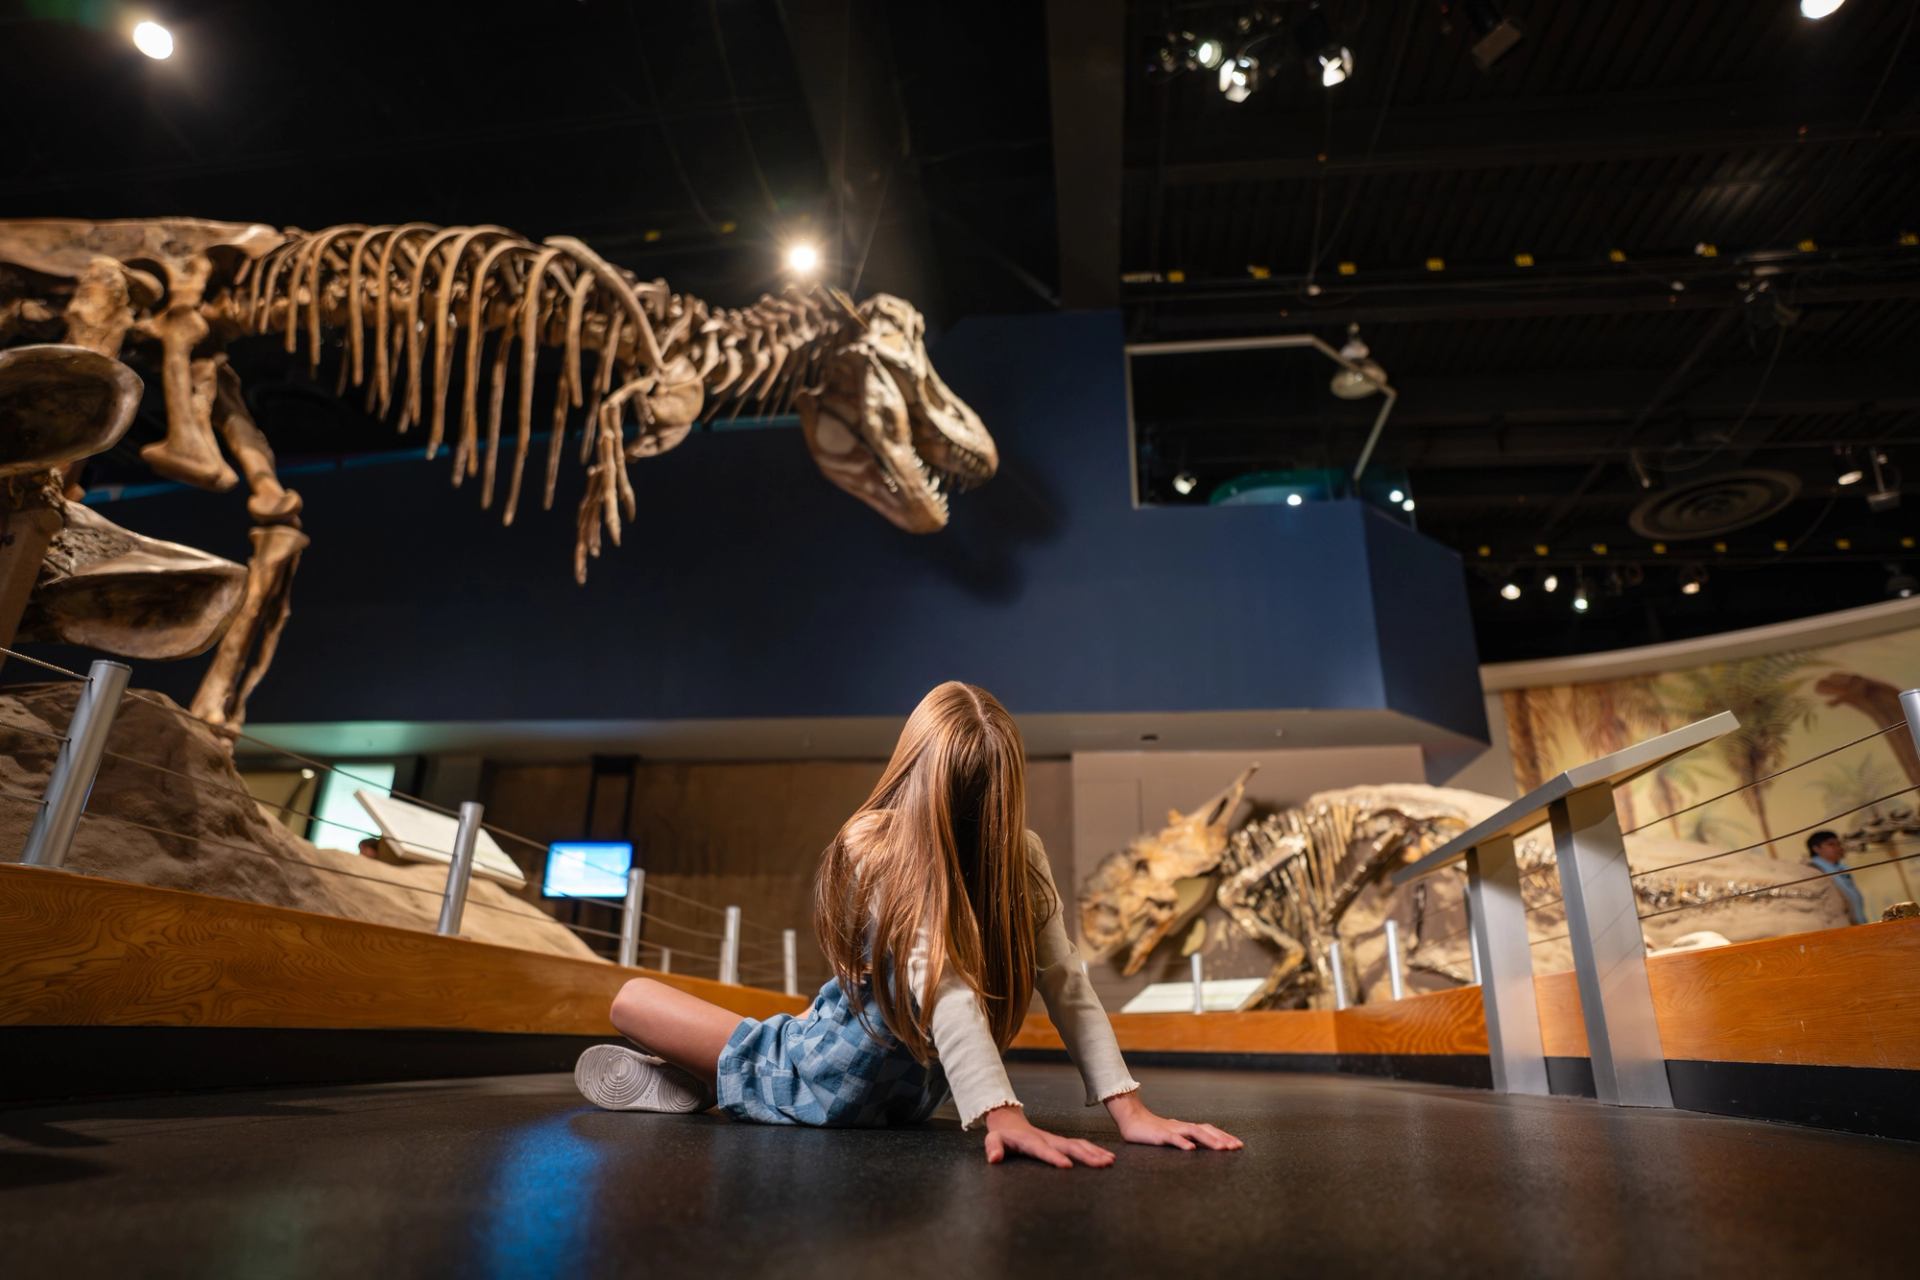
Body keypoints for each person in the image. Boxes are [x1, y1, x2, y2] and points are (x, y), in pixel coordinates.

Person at [575, 680, 1243, 1167]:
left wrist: (1011, 1114)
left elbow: (951, 981)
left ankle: (714, 1082)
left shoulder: (877, 840)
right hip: (912, 1101)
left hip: (817, 1075)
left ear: (914, 766)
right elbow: (1058, 983)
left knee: (631, 998)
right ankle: (701, 1083)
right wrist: (1127, 1112)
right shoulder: (1005, 852)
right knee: (747, 1042)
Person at [1806, 830, 1867, 925]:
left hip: (1856, 923)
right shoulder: (1812, 871)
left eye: (1838, 844)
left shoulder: (1840, 868)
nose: (1837, 848)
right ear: (1816, 848)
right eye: (1831, 844)